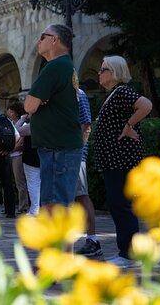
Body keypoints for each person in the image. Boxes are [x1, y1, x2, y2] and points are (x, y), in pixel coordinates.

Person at [94, 55, 153, 268]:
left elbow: (145, 105)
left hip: (121, 159)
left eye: (103, 69)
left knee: (121, 204)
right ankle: (128, 252)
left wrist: (129, 125)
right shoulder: (114, 94)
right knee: (119, 204)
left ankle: (128, 254)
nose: (99, 73)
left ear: (114, 72)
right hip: (115, 159)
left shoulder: (121, 92)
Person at [24, 24, 83, 210]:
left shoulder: (55, 67)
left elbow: (29, 106)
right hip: (61, 147)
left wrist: (38, 101)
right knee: (60, 207)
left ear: (54, 40)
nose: (38, 41)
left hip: (57, 149)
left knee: (54, 209)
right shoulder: (65, 66)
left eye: (42, 37)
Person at [74, 88, 102, 258]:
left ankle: (92, 239)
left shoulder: (79, 93)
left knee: (81, 196)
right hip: (67, 153)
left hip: (75, 154)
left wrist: (78, 149)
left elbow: (86, 124)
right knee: (76, 198)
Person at [0, 96, 17, 218]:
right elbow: (17, 136)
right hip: (6, 155)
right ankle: (10, 210)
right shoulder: (6, 119)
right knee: (8, 183)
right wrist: (8, 150)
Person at [6, 101, 30, 215]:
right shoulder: (10, 124)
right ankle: (10, 205)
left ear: (16, 112)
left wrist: (9, 148)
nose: (9, 113)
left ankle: (23, 206)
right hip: (10, 155)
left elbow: (20, 143)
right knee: (10, 182)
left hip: (17, 156)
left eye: (11, 111)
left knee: (20, 182)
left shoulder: (23, 125)